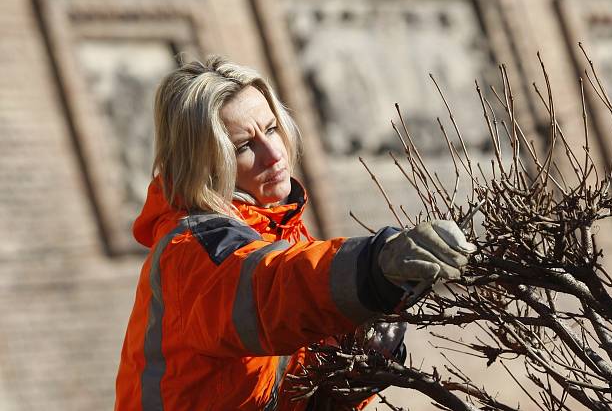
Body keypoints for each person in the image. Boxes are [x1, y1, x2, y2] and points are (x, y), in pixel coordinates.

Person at [114, 56, 476, 411]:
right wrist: (373, 266)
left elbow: (307, 395)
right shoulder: (190, 252)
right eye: (244, 146)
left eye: (271, 129)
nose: (273, 154)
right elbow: (267, 288)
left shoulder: (284, 237)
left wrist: (370, 357)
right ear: (205, 168)